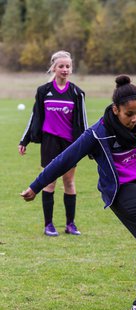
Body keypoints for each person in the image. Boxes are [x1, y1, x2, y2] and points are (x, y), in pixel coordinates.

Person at [21, 70, 136, 310]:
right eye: (129, 114)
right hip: (120, 191)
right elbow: (63, 160)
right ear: (115, 110)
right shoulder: (97, 134)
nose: (135, 118)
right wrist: (36, 186)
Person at [18, 50, 88, 237]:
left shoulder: (76, 93)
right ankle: (48, 225)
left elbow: (84, 121)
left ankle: (70, 225)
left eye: (68, 66)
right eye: (61, 66)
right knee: (49, 182)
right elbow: (35, 116)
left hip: (70, 144)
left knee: (69, 182)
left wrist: (88, 145)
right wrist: (24, 140)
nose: (65, 69)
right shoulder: (43, 91)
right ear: (53, 68)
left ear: (71, 69)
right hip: (49, 142)